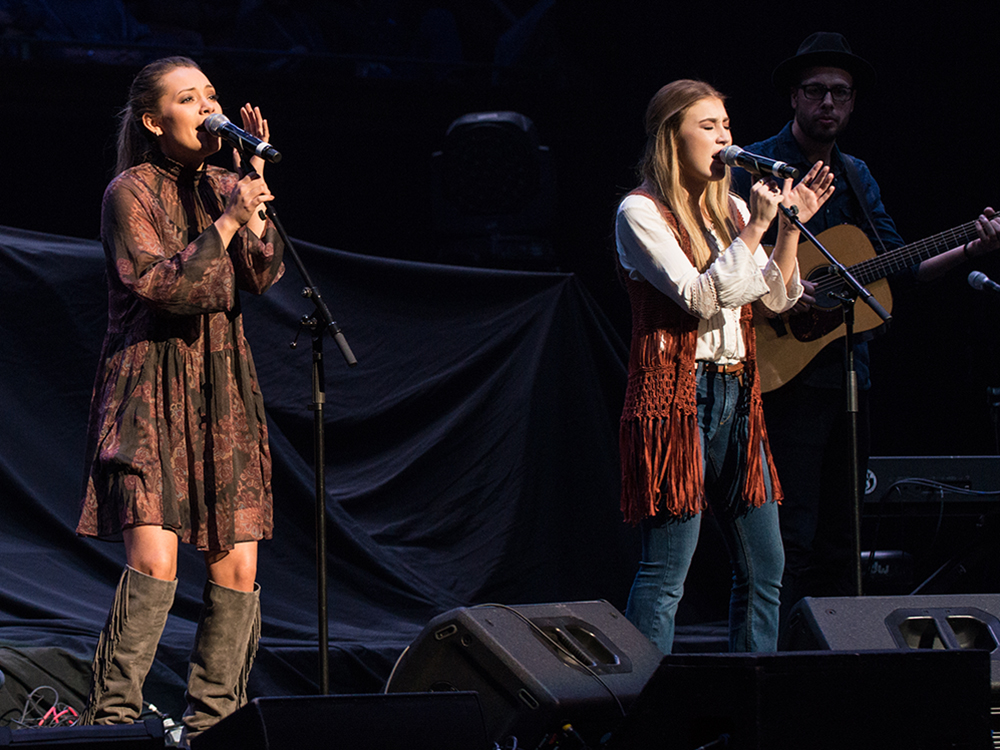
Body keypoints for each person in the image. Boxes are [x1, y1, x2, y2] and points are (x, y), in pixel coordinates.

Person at [730, 32, 1000, 630]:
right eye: (816, 91)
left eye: (841, 94)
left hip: (849, 375)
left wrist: (967, 248)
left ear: (852, 105)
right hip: (783, 373)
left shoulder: (857, 175)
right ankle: (776, 664)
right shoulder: (755, 166)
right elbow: (732, 267)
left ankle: (836, 660)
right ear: (794, 97)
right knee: (790, 532)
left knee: (841, 535)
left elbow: (895, 266)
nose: (829, 103)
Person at [75, 56, 284, 744]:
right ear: (154, 120)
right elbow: (166, 286)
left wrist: (252, 192)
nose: (207, 108)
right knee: (156, 560)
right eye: (189, 99)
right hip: (149, 389)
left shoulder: (229, 184)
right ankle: (112, 724)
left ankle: (214, 727)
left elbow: (263, 275)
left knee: (239, 563)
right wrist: (227, 221)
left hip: (222, 391)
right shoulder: (127, 193)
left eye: (212, 96)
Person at [615, 79, 835, 654]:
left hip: (738, 395)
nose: (723, 139)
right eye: (707, 127)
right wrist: (759, 227)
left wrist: (787, 228)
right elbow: (700, 297)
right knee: (667, 575)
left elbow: (778, 298)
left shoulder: (732, 207)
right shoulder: (640, 212)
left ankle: (752, 700)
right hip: (677, 399)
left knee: (767, 565)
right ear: (671, 138)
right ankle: (643, 709)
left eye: (727, 126)